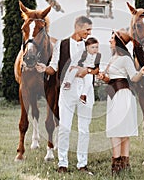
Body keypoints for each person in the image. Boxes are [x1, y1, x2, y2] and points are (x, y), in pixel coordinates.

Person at [35, 16, 97, 175]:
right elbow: (53, 67)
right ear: (77, 27)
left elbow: (94, 68)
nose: (89, 33)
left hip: (85, 91)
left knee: (84, 130)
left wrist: (87, 71)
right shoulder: (61, 45)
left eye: (90, 30)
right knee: (64, 128)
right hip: (67, 91)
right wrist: (44, 68)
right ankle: (62, 163)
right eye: (87, 29)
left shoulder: (89, 45)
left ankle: (82, 164)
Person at [97, 29, 144, 175]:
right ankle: (122, 165)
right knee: (118, 129)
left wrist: (141, 72)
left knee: (119, 129)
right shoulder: (112, 58)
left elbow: (132, 77)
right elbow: (110, 78)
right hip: (113, 96)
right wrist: (103, 77)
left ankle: (118, 164)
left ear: (118, 42)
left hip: (123, 96)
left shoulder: (125, 59)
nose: (109, 41)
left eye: (112, 38)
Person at [63, 37, 101, 104]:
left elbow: (97, 66)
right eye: (93, 47)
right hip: (81, 67)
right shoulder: (84, 53)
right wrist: (77, 67)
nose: (95, 49)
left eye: (96, 47)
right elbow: (79, 61)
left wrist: (91, 71)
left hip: (89, 71)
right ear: (87, 48)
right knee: (73, 70)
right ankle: (68, 82)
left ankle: (83, 95)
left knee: (89, 80)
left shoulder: (98, 55)